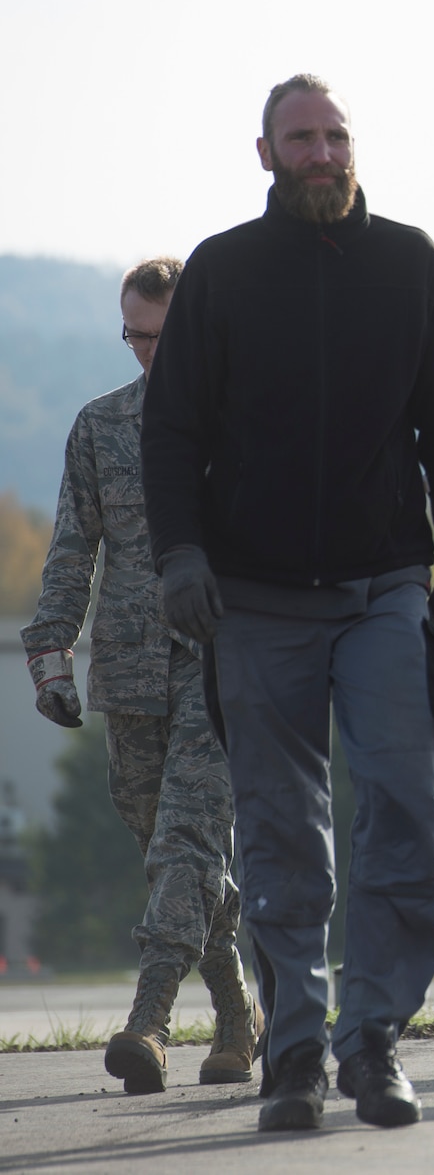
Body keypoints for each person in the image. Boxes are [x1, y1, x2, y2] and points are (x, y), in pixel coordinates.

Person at [142, 74, 434, 1131]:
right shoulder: (223, 272)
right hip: (249, 599)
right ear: (265, 155)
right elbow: (173, 433)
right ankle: (294, 1049)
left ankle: (372, 1039)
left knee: (405, 815)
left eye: (337, 136)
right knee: (282, 833)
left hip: (384, 588)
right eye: (303, 139)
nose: (324, 153)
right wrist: (179, 557)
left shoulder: (410, 262)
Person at [21, 257, 259, 1095]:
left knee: (186, 842)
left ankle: (148, 1020)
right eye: (133, 336)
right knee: (174, 856)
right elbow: (73, 547)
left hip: (223, 664)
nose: (147, 353)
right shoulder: (100, 427)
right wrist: (50, 650)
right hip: (128, 671)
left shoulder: (247, 417)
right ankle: (237, 1015)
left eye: (161, 336)